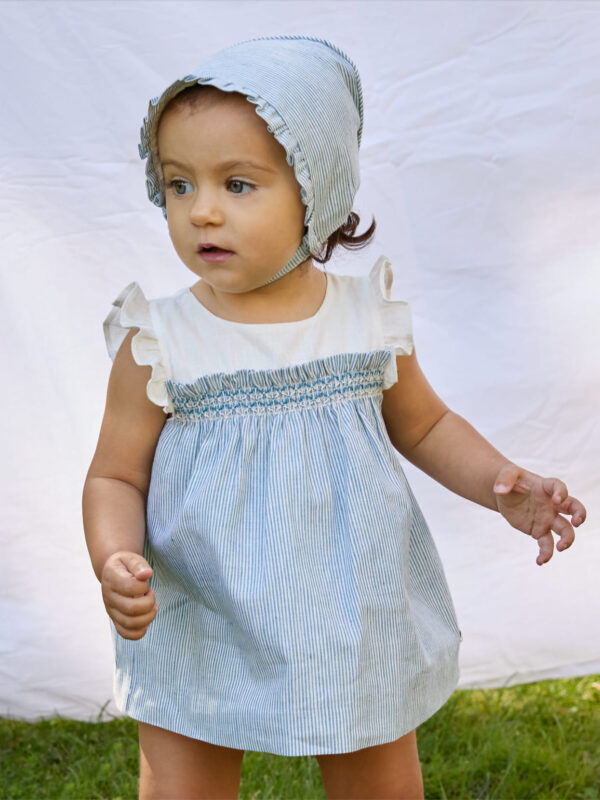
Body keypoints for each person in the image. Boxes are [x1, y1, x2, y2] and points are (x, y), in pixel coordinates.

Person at [82, 35, 587, 800]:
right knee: (185, 777)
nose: (202, 210)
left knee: (378, 776)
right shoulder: (160, 340)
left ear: (316, 191)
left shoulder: (364, 321)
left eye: (238, 184)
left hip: (353, 601)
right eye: (178, 184)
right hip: (201, 604)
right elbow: (115, 474)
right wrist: (113, 554)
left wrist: (499, 483)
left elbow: (424, 426)